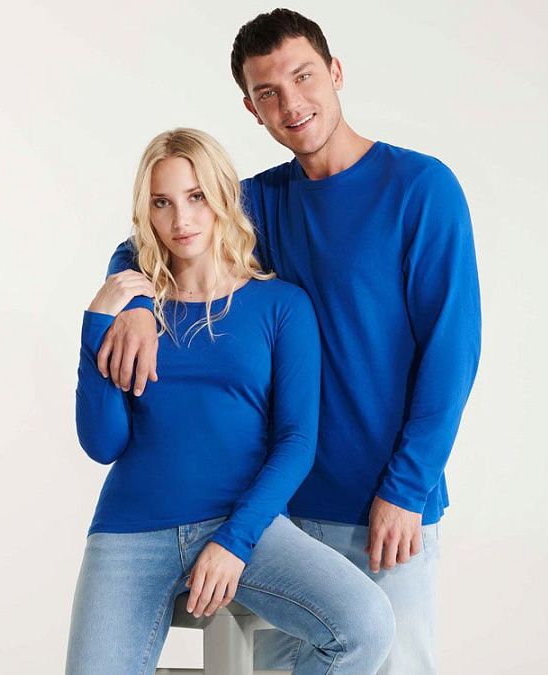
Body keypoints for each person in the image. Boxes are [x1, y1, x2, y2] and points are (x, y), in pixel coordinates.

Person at [101, 9, 482, 675]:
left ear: (335, 73)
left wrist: (407, 487)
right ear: (252, 109)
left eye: (303, 77)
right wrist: (131, 303)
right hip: (283, 512)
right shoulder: (263, 203)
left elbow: (453, 350)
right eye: (268, 92)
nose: (292, 103)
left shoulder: (420, 190)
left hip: (386, 505)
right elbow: (152, 237)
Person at [65, 127, 395, 675]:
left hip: (244, 523)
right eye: (162, 203)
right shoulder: (133, 313)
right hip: (130, 529)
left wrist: (235, 542)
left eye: (196, 197)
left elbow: (296, 441)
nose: (181, 219)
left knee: (366, 624)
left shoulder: (281, 305)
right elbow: (103, 444)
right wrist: (97, 323)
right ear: (146, 213)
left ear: (222, 195)